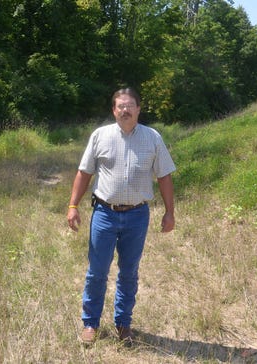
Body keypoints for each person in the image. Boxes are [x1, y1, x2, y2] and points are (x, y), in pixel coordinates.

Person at [66, 87, 176, 345]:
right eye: (120, 106)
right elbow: (84, 173)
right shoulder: (100, 136)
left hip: (137, 216)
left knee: (129, 272)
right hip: (104, 213)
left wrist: (170, 212)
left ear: (139, 108)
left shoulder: (152, 138)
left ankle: (123, 324)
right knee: (97, 272)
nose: (125, 110)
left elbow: (164, 175)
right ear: (113, 110)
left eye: (130, 106)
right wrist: (73, 206)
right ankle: (90, 324)